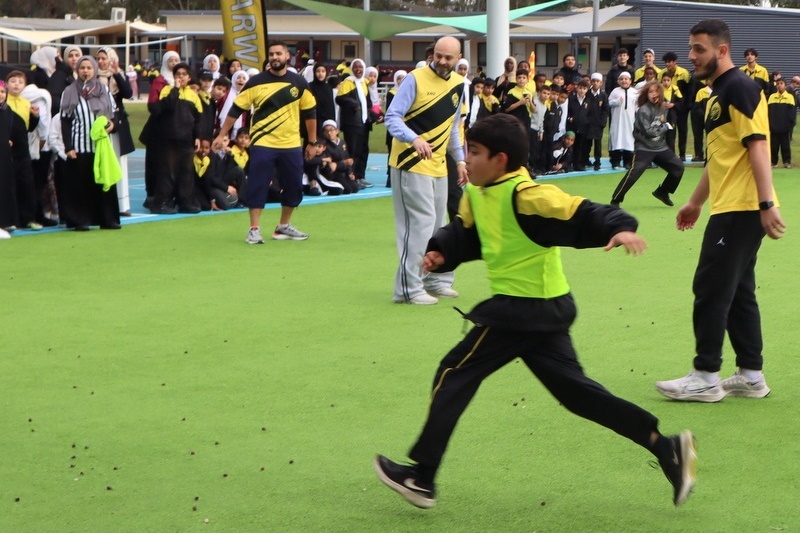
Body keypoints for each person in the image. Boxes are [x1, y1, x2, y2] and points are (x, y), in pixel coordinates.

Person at [374, 113, 698, 510]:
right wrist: (442, 252)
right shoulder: (477, 193)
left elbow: (585, 212)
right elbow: (468, 234)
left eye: (474, 152)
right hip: (542, 314)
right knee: (578, 396)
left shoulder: (530, 196)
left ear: (501, 160)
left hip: (521, 311)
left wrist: (619, 227)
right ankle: (666, 447)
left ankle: (421, 476)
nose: (467, 159)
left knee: (454, 373)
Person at [655, 19, 786, 402]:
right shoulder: (716, 95)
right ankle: (750, 374)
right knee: (739, 290)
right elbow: (721, 160)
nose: (691, 57)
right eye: (691, 49)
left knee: (711, 286)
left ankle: (706, 376)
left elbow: (757, 147)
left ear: (721, 50)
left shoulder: (741, 87)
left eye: (699, 49)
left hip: (742, 208)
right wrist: (695, 202)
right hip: (729, 206)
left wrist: (764, 203)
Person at [385, 35, 467, 305]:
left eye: (448, 58)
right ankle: (408, 289)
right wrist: (414, 138)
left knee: (438, 226)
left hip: (440, 167)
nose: (442, 62)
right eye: (438, 56)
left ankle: (436, 279)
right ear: (432, 54)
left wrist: (461, 160)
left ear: (458, 58)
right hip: (409, 164)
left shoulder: (459, 84)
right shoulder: (415, 78)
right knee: (418, 226)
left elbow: (452, 128)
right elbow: (391, 117)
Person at [213, 40, 317, 244]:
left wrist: (311, 142)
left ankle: (283, 227)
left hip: (291, 145)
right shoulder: (256, 82)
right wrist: (221, 134)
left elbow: (310, 113)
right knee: (258, 185)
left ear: (287, 56)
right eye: (271, 54)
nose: (275, 57)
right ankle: (254, 229)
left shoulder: (299, 82)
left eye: (279, 53)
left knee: (294, 186)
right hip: (262, 143)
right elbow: (236, 109)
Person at [59, 56, 121, 231]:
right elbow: (65, 120)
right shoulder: (69, 91)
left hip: (101, 146)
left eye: (89, 68)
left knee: (103, 182)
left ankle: (107, 219)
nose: (85, 71)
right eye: (82, 68)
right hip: (80, 145)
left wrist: (112, 125)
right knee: (81, 184)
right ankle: (80, 220)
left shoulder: (103, 90)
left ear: (94, 69)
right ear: (77, 70)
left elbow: (113, 114)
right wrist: (68, 147)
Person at [610, 81, 684, 207]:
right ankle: (616, 199)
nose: (654, 94)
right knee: (634, 174)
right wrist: (665, 127)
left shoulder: (663, 107)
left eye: (656, 91)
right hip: (644, 148)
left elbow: (661, 124)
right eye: (650, 92)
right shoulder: (644, 110)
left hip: (660, 147)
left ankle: (662, 192)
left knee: (678, 168)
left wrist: (664, 127)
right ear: (646, 94)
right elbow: (649, 132)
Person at [149, 62, 203, 214]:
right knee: (167, 172)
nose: (181, 77)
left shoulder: (193, 95)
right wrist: (176, 89)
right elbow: (167, 107)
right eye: (178, 74)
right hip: (169, 139)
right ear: (174, 77)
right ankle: (160, 203)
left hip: (186, 139)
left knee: (186, 172)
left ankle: (185, 202)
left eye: (184, 74)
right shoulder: (167, 90)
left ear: (189, 77)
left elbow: (198, 118)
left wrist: (197, 136)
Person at [96, 47, 135, 217]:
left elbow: (128, 93)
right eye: (99, 58)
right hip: (100, 125)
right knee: (104, 163)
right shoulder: (93, 76)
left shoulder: (117, 76)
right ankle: (105, 203)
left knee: (120, 163)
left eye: (104, 58)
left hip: (118, 125)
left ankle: (122, 204)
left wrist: (116, 74)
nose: (101, 62)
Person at [661, 52, 691, 161]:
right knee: (669, 131)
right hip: (668, 110)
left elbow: (688, 91)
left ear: (675, 62)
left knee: (682, 131)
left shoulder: (684, 73)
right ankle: (670, 153)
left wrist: (686, 106)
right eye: (666, 62)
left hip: (681, 107)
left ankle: (682, 154)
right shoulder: (662, 74)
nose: (668, 64)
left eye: (669, 62)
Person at [608, 71, 637, 169]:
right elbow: (609, 103)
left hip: (630, 121)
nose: (624, 81)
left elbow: (637, 106)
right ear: (618, 81)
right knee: (617, 140)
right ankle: (615, 162)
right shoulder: (615, 91)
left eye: (626, 79)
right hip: (617, 121)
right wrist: (617, 102)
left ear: (630, 81)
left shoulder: (634, 92)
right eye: (622, 79)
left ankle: (627, 162)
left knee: (629, 141)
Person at [767, 78, 796, 168]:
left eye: (781, 83)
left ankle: (786, 162)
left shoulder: (790, 97)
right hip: (774, 126)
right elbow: (768, 112)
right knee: (774, 145)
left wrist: (790, 125)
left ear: (785, 86)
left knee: (785, 145)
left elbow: (792, 113)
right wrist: (770, 124)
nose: (779, 85)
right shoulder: (772, 97)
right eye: (778, 84)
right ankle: (773, 162)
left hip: (785, 127)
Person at [587, 73, 609, 171]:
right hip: (588, 124)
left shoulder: (603, 95)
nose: (595, 83)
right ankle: (585, 160)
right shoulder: (587, 93)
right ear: (591, 82)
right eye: (594, 81)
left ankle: (597, 161)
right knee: (587, 144)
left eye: (598, 81)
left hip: (598, 124)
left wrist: (602, 122)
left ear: (601, 83)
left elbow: (605, 110)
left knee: (598, 144)